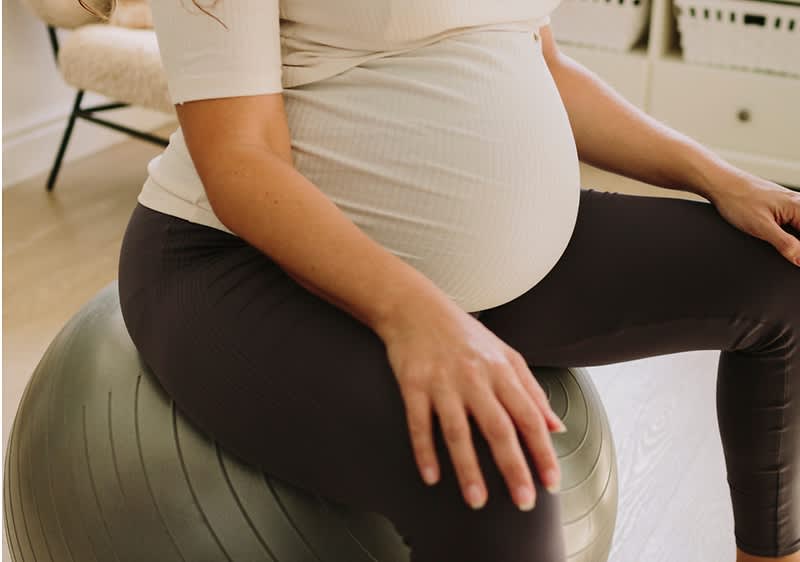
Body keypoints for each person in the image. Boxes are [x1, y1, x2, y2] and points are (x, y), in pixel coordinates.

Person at [82, 0, 799, 559]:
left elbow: (540, 60)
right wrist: (415, 314)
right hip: (238, 262)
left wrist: (718, 175)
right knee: (492, 474)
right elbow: (240, 157)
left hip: (490, 268)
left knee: (784, 274)